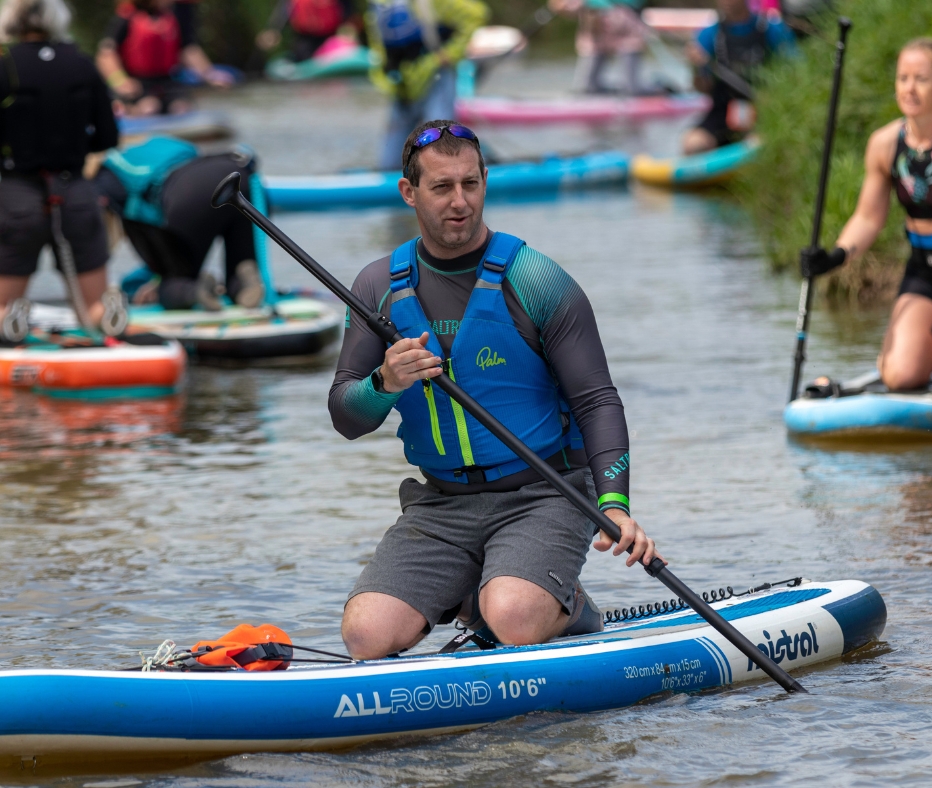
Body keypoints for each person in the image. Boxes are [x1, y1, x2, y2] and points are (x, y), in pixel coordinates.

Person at [330, 120, 663, 660]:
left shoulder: (534, 279)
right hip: (441, 503)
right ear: (408, 192)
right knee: (365, 637)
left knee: (512, 617)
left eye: (471, 184)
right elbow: (346, 417)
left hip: (542, 494)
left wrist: (616, 505)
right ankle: (474, 590)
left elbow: (597, 400)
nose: (459, 202)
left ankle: (562, 603)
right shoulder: (375, 289)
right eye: (441, 187)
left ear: (485, 180)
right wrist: (384, 382)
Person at [801, 39, 932, 391]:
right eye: (902, 77)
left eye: (921, 78)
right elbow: (868, 218)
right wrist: (834, 257)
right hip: (926, 269)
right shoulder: (886, 144)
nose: (909, 88)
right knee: (900, 376)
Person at [0, 0, 126, 343]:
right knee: (94, 307)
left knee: (3, 306)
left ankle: (12, 323)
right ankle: (108, 321)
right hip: (76, 194)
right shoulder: (83, 63)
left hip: (17, 197)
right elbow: (108, 137)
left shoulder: (4, 64)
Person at [94, 139, 264, 311]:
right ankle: (242, 282)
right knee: (239, 263)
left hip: (188, 190)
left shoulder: (103, 177)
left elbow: (145, 229)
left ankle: (194, 290)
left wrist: (159, 281)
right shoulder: (142, 150)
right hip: (235, 174)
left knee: (175, 281)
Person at [366, 0, 488, 171]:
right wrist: (386, 80)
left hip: (436, 79)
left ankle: (475, 168)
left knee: (441, 145)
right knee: (390, 162)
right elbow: (378, 49)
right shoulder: (377, 6)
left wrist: (448, 54)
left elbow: (477, 14)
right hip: (402, 87)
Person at [682, 0, 794, 154]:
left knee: (756, 142)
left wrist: (775, 99)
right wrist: (695, 67)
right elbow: (703, 89)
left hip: (762, 110)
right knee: (692, 144)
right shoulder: (709, 34)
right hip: (723, 111)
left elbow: (795, 73)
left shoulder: (770, 28)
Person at [96, 0, 233, 116]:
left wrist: (209, 75)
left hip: (168, 81)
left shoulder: (176, 16)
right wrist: (119, 81)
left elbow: (188, 49)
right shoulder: (127, 17)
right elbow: (106, 53)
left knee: (181, 107)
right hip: (138, 83)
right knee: (149, 107)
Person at [550, 0, 651, 96]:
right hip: (605, 17)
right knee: (629, 43)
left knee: (630, 86)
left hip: (606, 15)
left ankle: (592, 87)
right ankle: (628, 87)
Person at [256, 0, 354, 64]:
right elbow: (283, 14)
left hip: (329, 38)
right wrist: (274, 31)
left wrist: (347, 32)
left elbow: (347, 11)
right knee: (302, 54)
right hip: (305, 39)